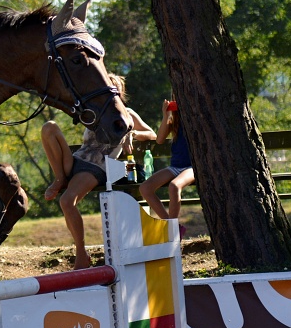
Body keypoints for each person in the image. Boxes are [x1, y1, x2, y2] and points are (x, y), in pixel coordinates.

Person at [41, 75, 156, 269]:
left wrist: (131, 133)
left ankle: (81, 253)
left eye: (114, 88)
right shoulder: (95, 111)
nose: (111, 92)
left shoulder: (127, 115)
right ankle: (59, 178)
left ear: (120, 93)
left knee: (66, 201)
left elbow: (152, 133)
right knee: (49, 127)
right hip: (76, 160)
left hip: (96, 167)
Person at [139, 99, 195, 238]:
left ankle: (172, 232)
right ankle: (171, 226)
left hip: (193, 167)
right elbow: (159, 140)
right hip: (176, 166)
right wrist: (166, 115)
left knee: (174, 187)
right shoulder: (174, 122)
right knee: (145, 188)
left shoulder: (196, 116)